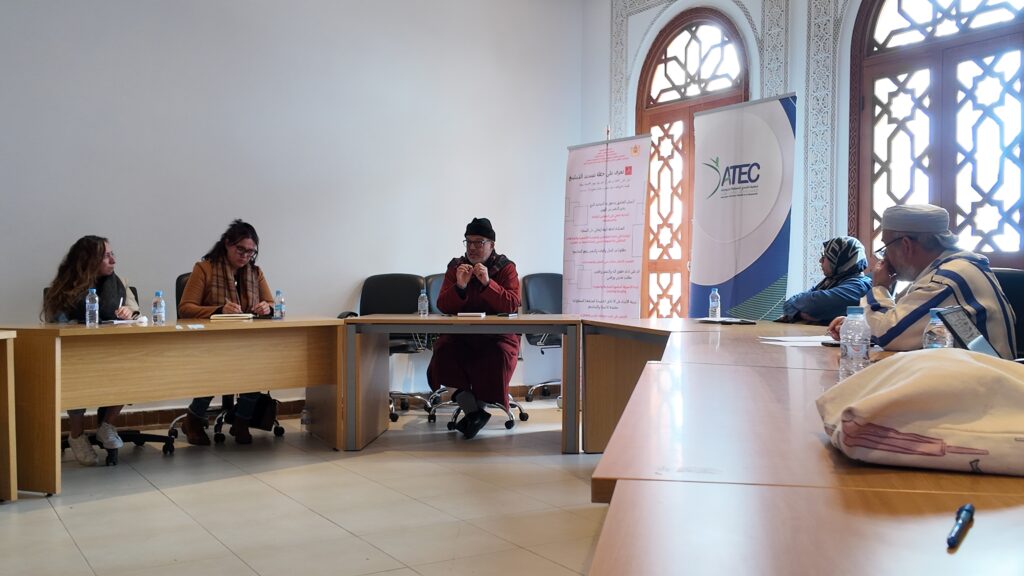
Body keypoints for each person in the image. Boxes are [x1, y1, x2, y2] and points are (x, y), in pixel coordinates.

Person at [828, 204, 1016, 358]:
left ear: (906, 245)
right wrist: (859, 325)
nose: (884, 257)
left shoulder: (945, 280)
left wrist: (879, 287)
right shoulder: (955, 267)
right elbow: (906, 323)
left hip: (983, 387)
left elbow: (889, 334)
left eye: (886, 247)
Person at [42, 235, 140, 465]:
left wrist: (129, 312)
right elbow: (54, 325)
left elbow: (136, 312)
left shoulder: (120, 283)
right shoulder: (64, 289)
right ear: (89, 260)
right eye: (106, 256)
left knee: (134, 366)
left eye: (112, 254)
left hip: (114, 350)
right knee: (77, 374)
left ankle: (107, 426)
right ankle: (76, 435)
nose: (113, 260)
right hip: (79, 353)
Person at [178, 219, 274, 445]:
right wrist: (219, 309)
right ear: (227, 244)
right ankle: (193, 419)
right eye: (240, 250)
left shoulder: (255, 272)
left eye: (250, 252)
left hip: (246, 340)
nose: (245, 256)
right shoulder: (205, 269)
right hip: (212, 340)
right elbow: (185, 308)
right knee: (217, 366)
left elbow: (271, 302)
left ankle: (242, 420)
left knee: (258, 365)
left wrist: (267, 307)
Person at [427, 217, 521, 439]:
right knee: (443, 350)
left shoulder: (505, 268)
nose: (472, 248)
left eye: (478, 242)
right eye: (468, 242)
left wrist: (488, 283)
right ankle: (474, 412)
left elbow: (511, 304)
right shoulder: (456, 267)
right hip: (461, 335)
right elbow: (443, 305)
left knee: (497, 355)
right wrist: (460, 286)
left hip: (496, 336)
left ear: (492, 244)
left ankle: (474, 413)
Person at [777, 236, 871, 324]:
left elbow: (814, 304)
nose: (820, 261)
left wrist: (797, 312)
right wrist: (800, 314)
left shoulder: (858, 287)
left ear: (838, 260)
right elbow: (788, 303)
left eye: (824, 257)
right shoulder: (831, 281)